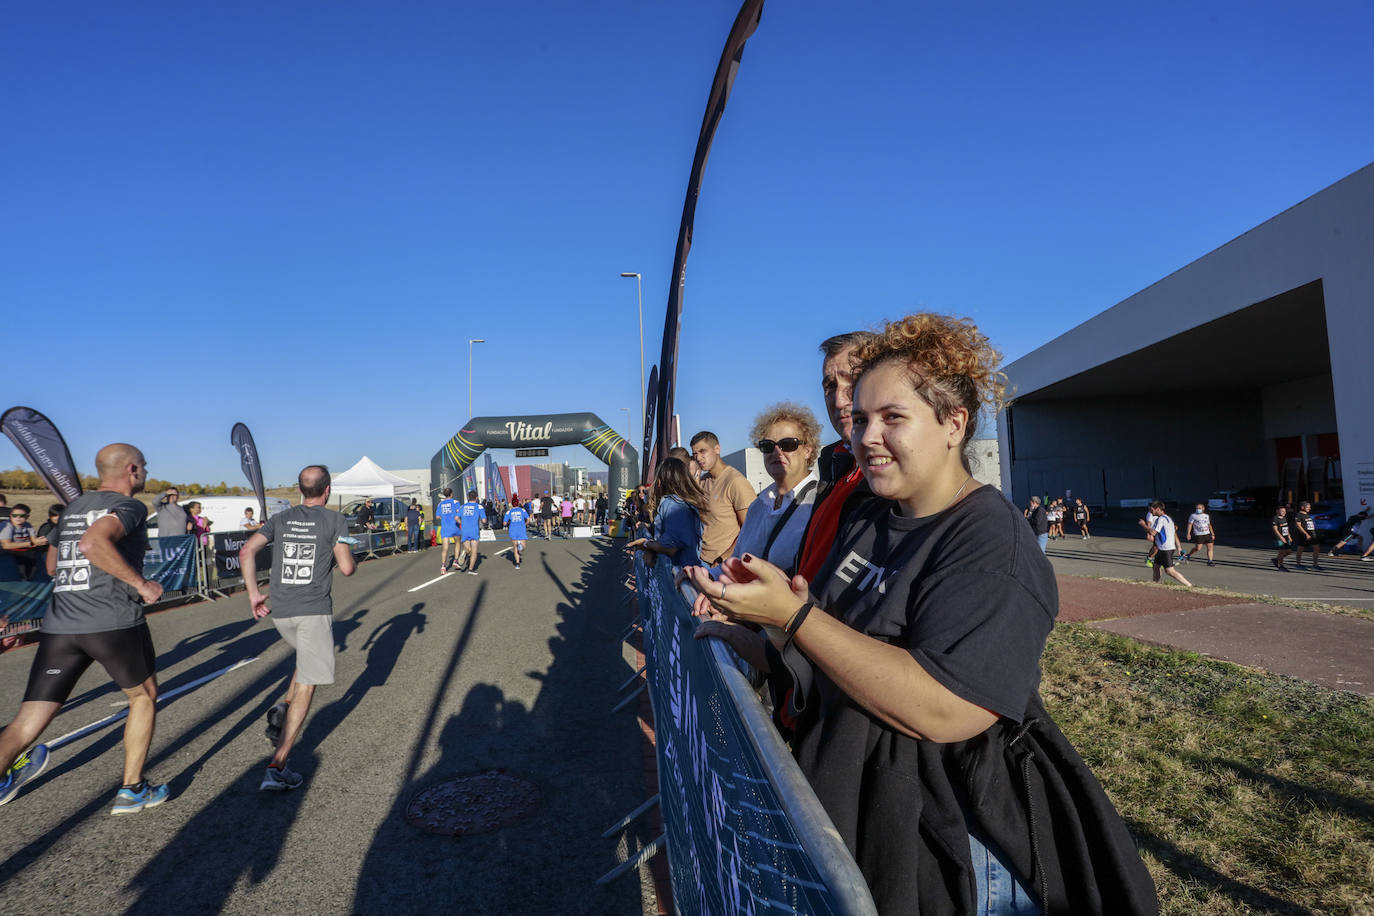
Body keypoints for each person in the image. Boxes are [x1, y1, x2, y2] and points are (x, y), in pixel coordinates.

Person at [687, 314, 1155, 913]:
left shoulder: (989, 539)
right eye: (860, 419)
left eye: (892, 418)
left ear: (953, 423)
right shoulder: (865, 515)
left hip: (946, 847)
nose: (867, 436)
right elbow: (834, 651)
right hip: (849, 809)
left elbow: (946, 705)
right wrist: (765, 637)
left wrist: (798, 619)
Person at [0, 444, 168, 813]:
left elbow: (51, 565)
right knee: (143, 697)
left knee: (28, 718)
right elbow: (93, 542)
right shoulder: (131, 506)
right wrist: (141, 584)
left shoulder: (74, 507)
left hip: (61, 625)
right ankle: (132, 789)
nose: (146, 473)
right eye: (145, 467)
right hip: (111, 621)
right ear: (132, 469)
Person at [240, 465, 354, 791]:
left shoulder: (282, 518)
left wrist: (252, 594)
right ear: (328, 490)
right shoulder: (335, 520)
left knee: (305, 660)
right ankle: (278, 766)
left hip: (281, 612)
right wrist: (350, 556)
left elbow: (247, 550)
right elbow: (346, 568)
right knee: (308, 683)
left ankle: (282, 706)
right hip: (312, 609)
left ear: (300, 490)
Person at [689, 404, 822, 613]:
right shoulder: (759, 505)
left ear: (808, 450)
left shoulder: (819, 505)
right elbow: (738, 560)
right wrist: (700, 576)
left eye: (788, 444)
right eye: (768, 446)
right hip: (747, 621)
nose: (777, 451)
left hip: (787, 630)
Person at [794, 331, 878, 584]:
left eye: (852, 380)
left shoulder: (892, 476)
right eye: (830, 386)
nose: (839, 400)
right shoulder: (835, 463)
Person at [626, 457, 706, 571]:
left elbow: (670, 547)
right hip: (686, 573)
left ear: (660, 482)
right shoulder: (682, 503)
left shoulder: (672, 504)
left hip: (678, 576)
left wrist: (646, 544)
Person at [690, 431, 756, 565]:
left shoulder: (735, 481)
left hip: (725, 565)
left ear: (717, 449)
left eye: (703, 451)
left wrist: (724, 558)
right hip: (701, 559)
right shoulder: (703, 481)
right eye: (695, 454)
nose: (698, 458)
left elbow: (751, 529)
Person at [1142, 501, 1192, 587]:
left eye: (1152, 510)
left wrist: (1143, 525)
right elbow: (1174, 534)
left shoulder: (1160, 519)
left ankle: (1189, 585)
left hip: (1165, 549)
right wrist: (1179, 547)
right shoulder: (1169, 518)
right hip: (1163, 548)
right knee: (1156, 566)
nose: (1151, 512)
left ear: (1157, 509)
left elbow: (1153, 533)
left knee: (1170, 571)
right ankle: (1155, 584)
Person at [1, 503, 47, 580]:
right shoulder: (7, 526)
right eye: (15, 515)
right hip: (9, 551)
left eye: (22, 516)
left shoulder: (27, 525)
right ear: (10, 516)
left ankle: (32, 576)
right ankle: (23, 576)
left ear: (27, 517)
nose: (18, 518)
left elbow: (33, 539)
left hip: (25, 549)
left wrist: (41, 540)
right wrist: (31, 543)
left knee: (40, 553)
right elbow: (6, 545)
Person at [1289, 500, 1322, 570]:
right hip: (1303, 534)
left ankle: (1315, 565)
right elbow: (1298, 526)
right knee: (1300, 549)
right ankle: (1298, 564)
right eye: (1308, 507)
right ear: (1302, 507)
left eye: (1310, 507)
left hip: (1312, 534)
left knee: (1317, 548)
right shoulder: (1299, 515)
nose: (1309, 508)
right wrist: (1306, 534)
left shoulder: (1307, 514)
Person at [457, 490, 482, 574]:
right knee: (474, 551)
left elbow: (456, 518)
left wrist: (462, 523)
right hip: (474, 530)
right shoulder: (479, 507)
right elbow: (484, 520)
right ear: (476, 498)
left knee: (468, 548)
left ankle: (465, 551)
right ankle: (470, 569)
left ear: (468, 498)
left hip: (464, 530)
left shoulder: (462, 507)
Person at [436, 487, 461, 574]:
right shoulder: (456, 502)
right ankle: (456, 560)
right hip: (454, 526)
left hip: (445, 527)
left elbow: (437, 516)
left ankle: (443, 566)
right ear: (451, 494)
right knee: (457, 542)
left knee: (445, 547)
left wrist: (444, 515)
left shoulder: (440, 504)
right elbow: (458, 512)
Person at [504, 498, 530, 569]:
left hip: (512, 530)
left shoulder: (509, 512)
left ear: (512, 504)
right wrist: (526, 524)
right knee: (523, 548)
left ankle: (517, 564)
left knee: (515, 548)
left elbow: (504, 523)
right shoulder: (522, 510)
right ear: (518, 503)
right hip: (521, 530)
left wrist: (509, 522)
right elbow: (528, 519)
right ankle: (520, 547)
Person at [1271, 505, 1294, 571]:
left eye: (1285, 511)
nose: (1284, 512)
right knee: (1282, 551)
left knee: (1289, 551)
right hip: (1278, 538)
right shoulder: (1275, 519)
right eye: (1282, 511)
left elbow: (1286, 528)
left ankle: (1277, 559)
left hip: (1286, 537)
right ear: (1277, 511)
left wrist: (1289, 536)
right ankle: (1280, 566)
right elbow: (1275, 530)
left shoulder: (1284, 518)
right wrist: (1281, 538)